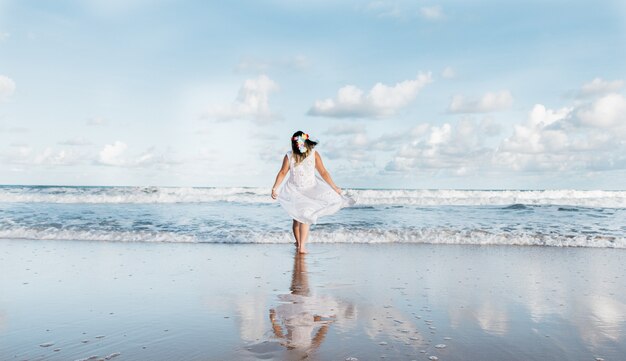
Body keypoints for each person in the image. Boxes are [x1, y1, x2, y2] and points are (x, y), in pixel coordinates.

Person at [271, 131, 354, 253]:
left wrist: (334, 187)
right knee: (297, 218)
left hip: (310, 190)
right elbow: (282, 172)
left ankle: (301, 246)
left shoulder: (313, 154)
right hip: (295, 191)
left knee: (305, 216)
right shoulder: (290, 156)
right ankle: (299, 244)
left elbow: (323, 172)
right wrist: (275, 188)